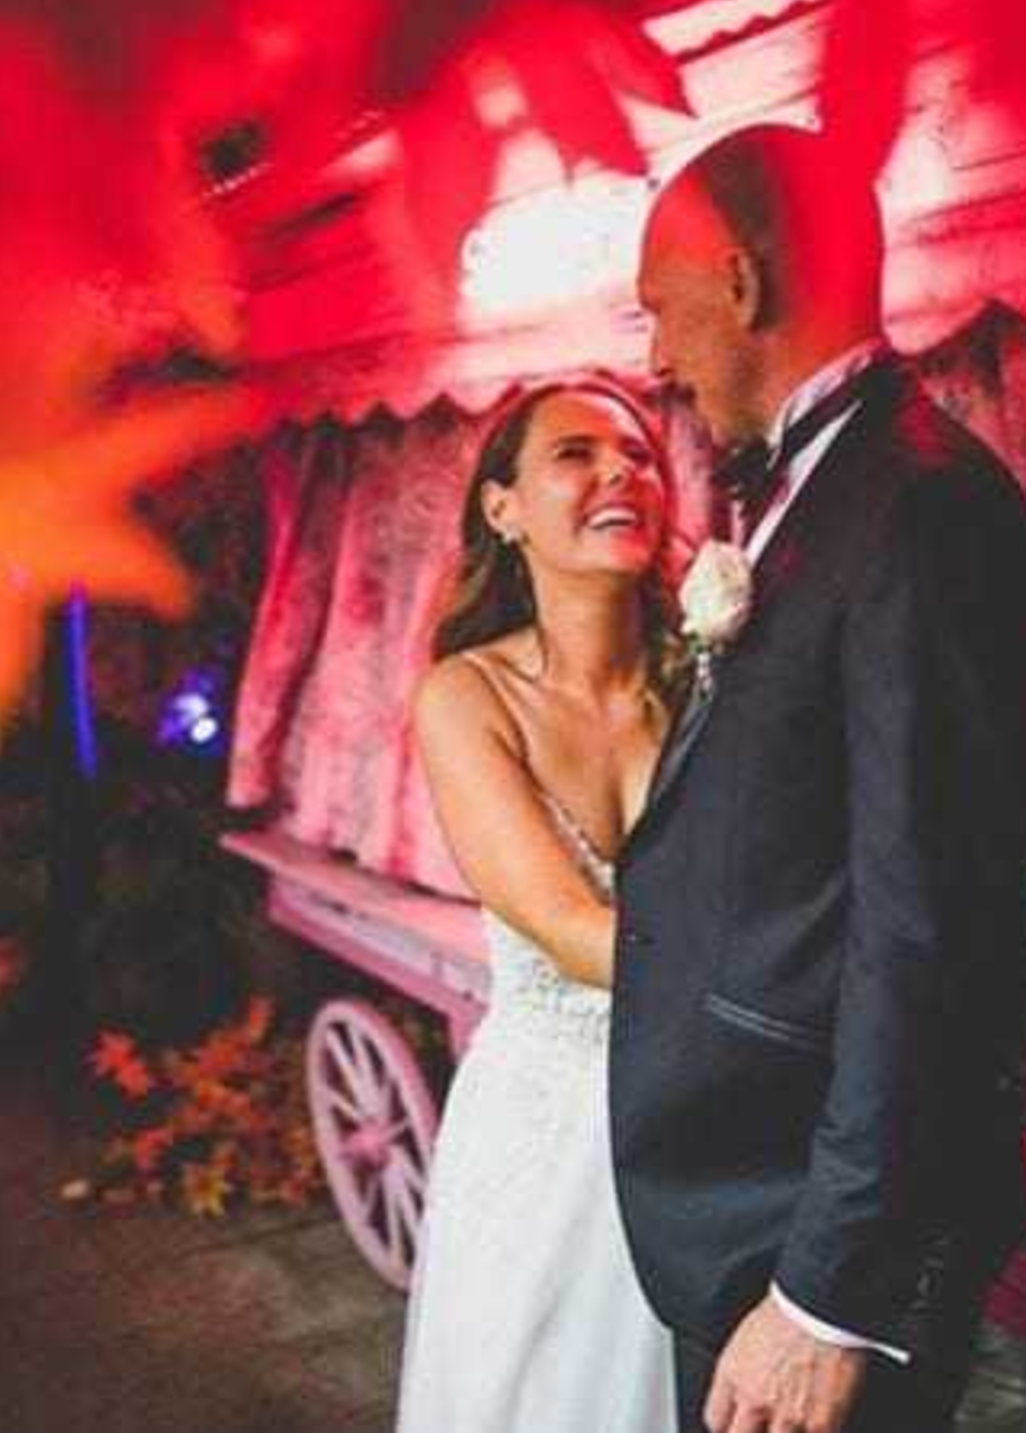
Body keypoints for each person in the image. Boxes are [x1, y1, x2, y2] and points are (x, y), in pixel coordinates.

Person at [613, 123, 1026, 1433]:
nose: (655, 357)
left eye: (659, 309)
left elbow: (936, 926)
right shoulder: (828, 487)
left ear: (740, 284)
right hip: (761, 1184)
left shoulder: (923, 508)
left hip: (809, 1217)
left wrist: (827, 1293)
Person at [395, 378, 685, 1432]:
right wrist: (784, 987)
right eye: (575, 453)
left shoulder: (711, 681)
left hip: (711, 1107)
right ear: (502, 508)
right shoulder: (466, 696)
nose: (621, 472)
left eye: (642, 454)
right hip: (551, 1125)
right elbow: (565, 927)